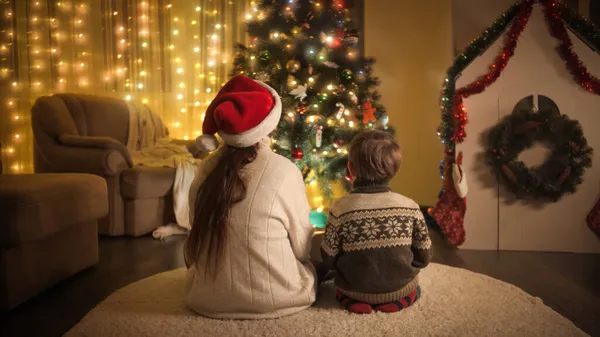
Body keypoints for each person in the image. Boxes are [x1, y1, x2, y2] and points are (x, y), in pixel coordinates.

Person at [184, 75, 317, 319]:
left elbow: (195, 228)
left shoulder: (206, 168)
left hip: (207, 299)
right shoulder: (285, 169)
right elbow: (302, 247)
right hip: (276, 298)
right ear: (270, 123)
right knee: (314, 265)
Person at [320, 130, 432, 314]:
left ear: (350, 168)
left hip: (354, 289)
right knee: (414, 288)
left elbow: (329, 257)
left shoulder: (340, 208)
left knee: (340, 287)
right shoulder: (409, 206)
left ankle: (350, 301)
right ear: (395, 169)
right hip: (399, 288)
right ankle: (400, 301)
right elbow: (424, 256)